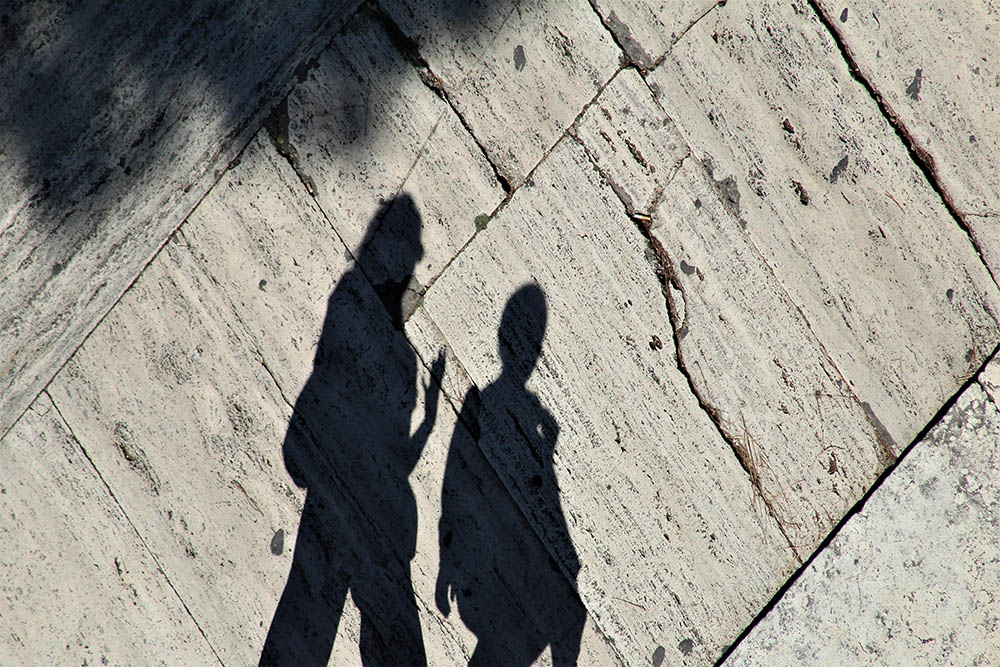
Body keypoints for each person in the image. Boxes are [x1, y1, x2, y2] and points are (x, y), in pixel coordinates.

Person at [260, 194, 443, 666]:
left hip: (352, 494)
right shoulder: (351, 304)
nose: (417, 258)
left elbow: (392, 451)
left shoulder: (353, 304)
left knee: (310, 613)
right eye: (414, 247)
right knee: (324, 617)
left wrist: (426, 423)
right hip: (349, 493)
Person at [436, 284, 585, 666]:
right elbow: (455, 485)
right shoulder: (489, 403)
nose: (532, 355)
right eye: (532, 346)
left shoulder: (506, 403)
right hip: (495, 567)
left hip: (499, 567)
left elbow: (454, 484)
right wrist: (447, 565)